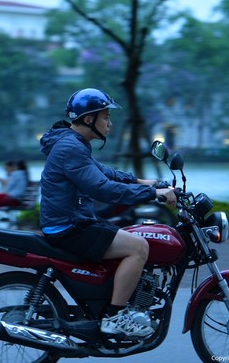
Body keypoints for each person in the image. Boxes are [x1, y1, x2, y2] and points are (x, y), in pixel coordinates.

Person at [40, 88, 176, 339]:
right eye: (106, 117)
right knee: (139, 247)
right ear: (89, 119)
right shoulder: (70, 147)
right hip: (69, 227)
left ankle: (111, 302)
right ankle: (115, 316)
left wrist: (146, 182)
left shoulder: (74, 143)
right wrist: (153, 195)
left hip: (74, 222)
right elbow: (102, 189)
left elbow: (106, 173)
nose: (110, 124)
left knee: (128, 238)